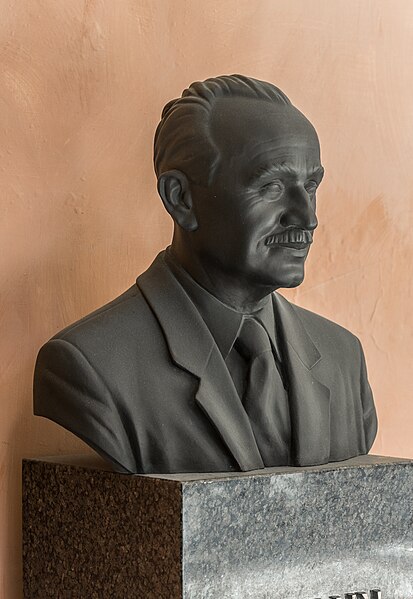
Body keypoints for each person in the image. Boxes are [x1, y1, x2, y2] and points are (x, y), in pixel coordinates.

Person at [34, 75, 377, 474]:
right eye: (271, 187)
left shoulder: (344, 359)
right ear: (181, 199)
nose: (308, 217)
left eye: (311, 186)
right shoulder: (86, 367)